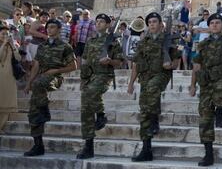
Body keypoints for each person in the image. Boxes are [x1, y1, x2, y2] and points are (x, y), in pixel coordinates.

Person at [127, 12, 180, 162]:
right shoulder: (143, 42)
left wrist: (171, 65)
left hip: (161, 75)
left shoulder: (168, 39)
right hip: (145, 77)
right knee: (144, 111)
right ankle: (146, 149)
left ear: (161, 24)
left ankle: (155, 116)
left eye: (154, 21)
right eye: (149, 22)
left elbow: (176, 61)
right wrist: (131, 83)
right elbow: (136, 65)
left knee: (151, 89)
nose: (151, 24)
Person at [189, 13, 222, 167]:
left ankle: (220, 108)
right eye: (212, 23)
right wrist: (192, 85)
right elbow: (196, 66)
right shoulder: (203, 44)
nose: (215, 25)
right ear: (209, 26)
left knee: (221, 93)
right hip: (205, 83)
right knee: (204, 119)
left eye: (218, 22)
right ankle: (208, 153)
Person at [23, 19, 77, 156]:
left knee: (39, 84)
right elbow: (36, 65)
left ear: (59, 29)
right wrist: (29, 83)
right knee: (33, 112)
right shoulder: (42, 46)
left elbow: (74, 66)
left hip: (55, 77)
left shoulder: (65, 46)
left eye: (52, 27)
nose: (49, 29)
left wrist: (56, 71)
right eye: (48, 27)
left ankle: (44, 109)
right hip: (41, 78)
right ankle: (38, 145)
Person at [76, 14, 124, 159]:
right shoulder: (91, 40)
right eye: (96, 21)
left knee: (89, 94)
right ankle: (88, 145)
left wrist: (110, 61)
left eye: (102, 22)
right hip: (90, 75)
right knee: (86, 108)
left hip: (104, 75)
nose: (98, 24)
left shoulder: (114, 41)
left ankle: (101, 114)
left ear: (108, 24)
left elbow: (120, 61)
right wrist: (83, 78)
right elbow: (84, 60)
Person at [0, 23, 21, 130]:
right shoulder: (2, 44)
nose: (5, 36)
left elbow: (18, 58)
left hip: (9, 77)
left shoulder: (12, 45)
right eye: (3, 34)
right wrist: (3, 44)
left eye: (6, 34)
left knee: (7, 105)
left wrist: (13, 45)